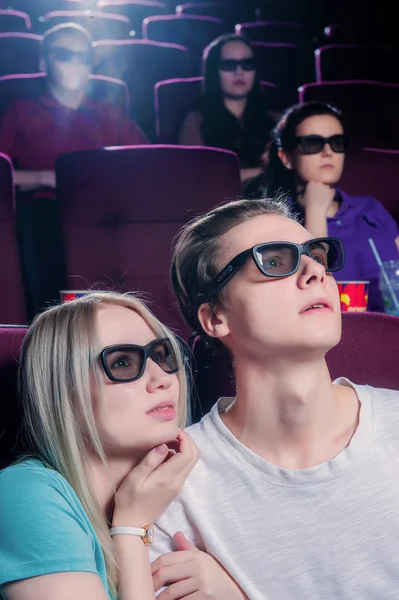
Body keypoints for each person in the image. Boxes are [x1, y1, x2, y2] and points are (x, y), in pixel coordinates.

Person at [149, 197, 399, 599]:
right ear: (215, 318)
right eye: (275, 261)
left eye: (317, 256)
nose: (315, 271)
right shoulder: (174, 482)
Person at [0, 291, 199, 600]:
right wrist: (131, 528)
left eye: (162, 356)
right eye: (121, 362)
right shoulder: (25, 493)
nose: (161, 377)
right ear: (67, 393)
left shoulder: (175, 487)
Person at [266, 101, 399, 312]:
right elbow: (312, 291)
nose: (328, 151)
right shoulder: (275, 222)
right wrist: (315, 213)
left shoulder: (369, 207)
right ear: (287, 157)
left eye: (337, 142)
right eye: (312, 143)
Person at [0, 22, 148, 191]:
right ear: (43, 62)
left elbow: (147, 162)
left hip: (105, 205)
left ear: (90, 66)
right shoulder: (20, 112)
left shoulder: (111, 113)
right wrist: (43, 177)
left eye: (84, 57)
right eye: (64, 55)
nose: (75, 63)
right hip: (42, 207)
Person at [178, 34, 276, 195]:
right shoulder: (196, 121)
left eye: (247, 64)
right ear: (214, 71)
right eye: (229, 65)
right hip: (217, 206)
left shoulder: (275, 120)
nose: (239, 72)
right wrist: (261, 171)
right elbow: (193, 176)